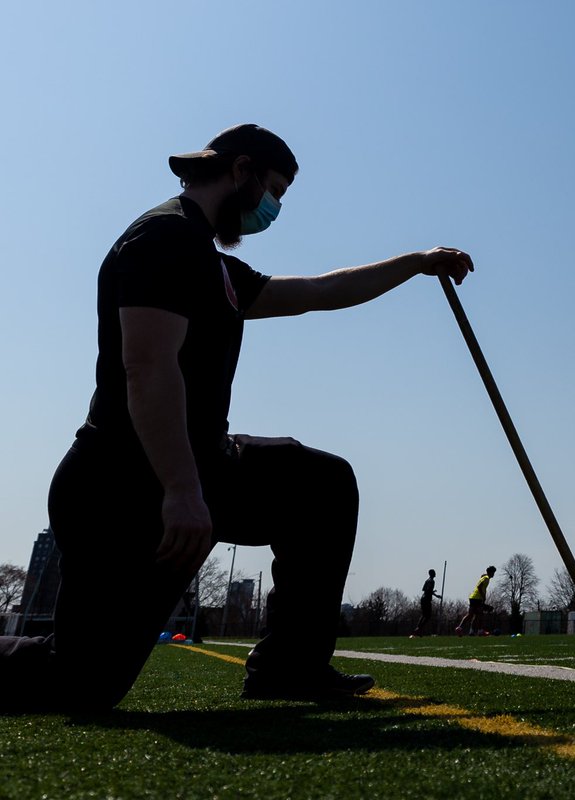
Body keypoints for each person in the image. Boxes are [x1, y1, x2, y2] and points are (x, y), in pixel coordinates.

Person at [0, 124, 473, 711]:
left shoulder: (214, 265)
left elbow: (316, 292)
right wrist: (181, 490)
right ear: (240, 170)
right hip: (123, 484)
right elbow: (147, 368)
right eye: (273, 190)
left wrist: (417, 263)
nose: (271, 209)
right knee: (77, 682)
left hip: (202, 467)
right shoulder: (163, 237)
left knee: (320, 483)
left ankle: (290, 668)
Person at [456, 566, 496, 636]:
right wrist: (483, 596)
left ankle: (461, 628)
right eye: (493, 572)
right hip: (478, 598)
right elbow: (479, 587)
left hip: (473, 597)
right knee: (480, 615)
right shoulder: (486, 578)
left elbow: (481, 577)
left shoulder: (484, 577)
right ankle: (480, 631)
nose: (494, 574)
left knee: (471, 615)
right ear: (491, 572)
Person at [411, 568, 442, 637]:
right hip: (427, 599)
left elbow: (424, 589)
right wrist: (436, 595)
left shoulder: (427, 580)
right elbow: (428, 590)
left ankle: (418, 629)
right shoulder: (432, 581)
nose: (435, 574)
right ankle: (419, 629)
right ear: (432, 574)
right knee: (428, 616)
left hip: (423, 598)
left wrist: (432, 591)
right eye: (434, 573)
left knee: (424, 615)